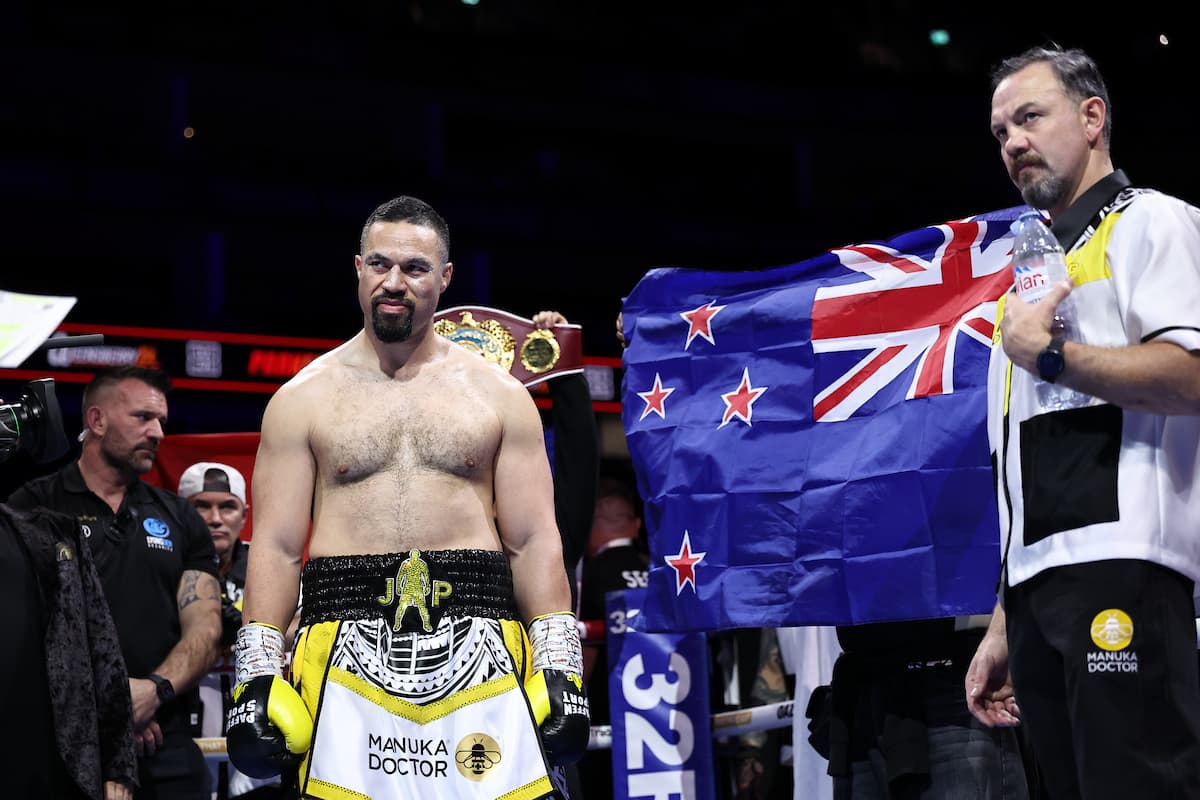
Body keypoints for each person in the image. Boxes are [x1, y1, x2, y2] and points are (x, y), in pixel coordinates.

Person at [226, 195, 590, 798]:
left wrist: (559, 662)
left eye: (415, 268)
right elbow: (279, 544)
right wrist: (256, 675)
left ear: (444, 278)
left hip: (482, 636)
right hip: (340, 635)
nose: (394, 282)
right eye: (379, 264)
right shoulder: (302, 399)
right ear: (358, 269)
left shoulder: (498, 395)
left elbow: (532, 539)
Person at [965, 45, 1200, 799]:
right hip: (1039, 591)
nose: (1013, 144)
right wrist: (1007, 616)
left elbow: (1191, 375)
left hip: (1132, 569)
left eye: (1030, 118)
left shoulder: (1154, 222)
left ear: (1093, 117)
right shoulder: (1021, 287)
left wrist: (1056, 356)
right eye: (1001, 132)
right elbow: (1021, 463)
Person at [7, 365, 223, 800]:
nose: (158, 432)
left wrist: (154, 691)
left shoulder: (179, 517)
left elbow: (206, 627)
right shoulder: (31, 505)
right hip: (65, 744)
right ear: (98, 421)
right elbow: (24, 632)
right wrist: (110, 711)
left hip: (166, 738)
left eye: (161, 420)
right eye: (143, 418)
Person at [177, 461, 284, 799]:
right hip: (181, 731)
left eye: (227, 506)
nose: (215, 518)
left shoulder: (269, 565)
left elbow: (303, 621)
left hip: (256, 731)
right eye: (202, 506)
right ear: (181, 511)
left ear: (244, 513)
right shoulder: (160, 562)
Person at [576, 476, 649, 800]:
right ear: (635, 526)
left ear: (592, 528)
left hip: (610, 711)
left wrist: (575, 701)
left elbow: (586, 647)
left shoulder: (593, 575)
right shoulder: (664, 571)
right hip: (671, 707)